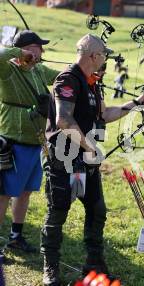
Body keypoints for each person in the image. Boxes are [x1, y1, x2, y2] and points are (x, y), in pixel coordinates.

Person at [40, 34, 144, 286]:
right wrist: (90, 147)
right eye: (103, 55)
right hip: (63, 160)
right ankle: (51, 269)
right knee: (57, 213)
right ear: (93, 56)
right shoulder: (67, 80)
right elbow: (63, 120)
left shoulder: (92, 84)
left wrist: (134, 104)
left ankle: (93, 265)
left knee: (97, 211)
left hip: (85, 163)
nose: (105, 60)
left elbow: (105, 114)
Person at [0, 30, 60, 257]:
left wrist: (83, 72)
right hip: (13, 141)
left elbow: (61, 77)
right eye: (38, 47)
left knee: (24, 192)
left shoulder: (38, 70)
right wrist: (19, 53)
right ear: (26, 48)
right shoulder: (8, 70)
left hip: (35, 141)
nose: (42, 51)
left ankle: (15, 237)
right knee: (4, 193)